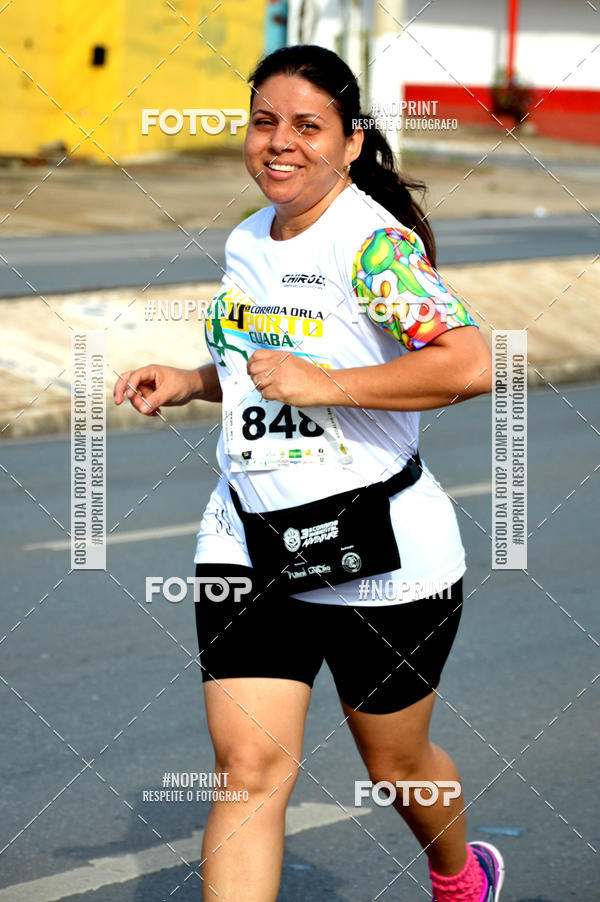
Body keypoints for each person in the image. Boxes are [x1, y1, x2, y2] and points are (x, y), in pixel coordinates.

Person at [114, 44, 503, 902]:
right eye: (263, 123)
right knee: (247, 769)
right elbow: (263, 365)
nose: (278, 143)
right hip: (247, 537)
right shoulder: (249, 237)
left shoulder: (374, 248)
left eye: (306, 126)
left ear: (351, 142)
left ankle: (459, 874)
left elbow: (470, 365)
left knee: (396, 762)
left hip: (379, 549)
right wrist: (191, 381)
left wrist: (331, 385)